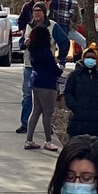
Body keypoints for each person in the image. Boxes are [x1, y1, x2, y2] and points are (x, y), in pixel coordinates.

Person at [18, 2, 58, 135]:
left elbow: (64, 42)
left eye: (39, 11)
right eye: (34, 11)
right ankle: (25, 124)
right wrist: (25, 43)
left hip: (46, 67)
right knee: (27, 96)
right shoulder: (29, 26)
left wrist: (61, 60)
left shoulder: (52, 26)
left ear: (44, 12)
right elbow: (21, 45)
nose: (36, 13)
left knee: (46, 108)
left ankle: (47, 130)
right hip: (30, 65)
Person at [24, 18, 62, 152]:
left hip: (35, 81)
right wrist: (59, 70)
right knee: (48, 112)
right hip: (47, 83)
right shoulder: (46, 52)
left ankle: (29, 139)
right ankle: (48, 141)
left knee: (35, 111)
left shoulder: (33, 50)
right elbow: (53, 68)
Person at [63, 44, 98, 138]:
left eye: (93, 58)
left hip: (96, 122)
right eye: (88, 57)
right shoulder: (74, 75)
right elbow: (68, 92)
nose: (90, 59)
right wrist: (75, 107)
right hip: (78, 120)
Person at [49, 0, 78, 64]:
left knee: (63, 42)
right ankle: (51, 60)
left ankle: (62, 61)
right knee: (50, 41)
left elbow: (74, 3)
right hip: (50, 20)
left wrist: (69, 14)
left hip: (63, 20)